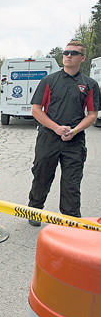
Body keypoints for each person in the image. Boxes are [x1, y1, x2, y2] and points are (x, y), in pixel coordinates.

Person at [27, 41, 100, 226]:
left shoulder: (89, 84)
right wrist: (56, 128)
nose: (68, 56)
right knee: (42, 175)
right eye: (66, 52)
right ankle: (35, 210)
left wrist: (74, 130)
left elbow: (92, 115)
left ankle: (70, 219)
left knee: (72, 183)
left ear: (82, 58)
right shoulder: (49, 81)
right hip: (48, 138)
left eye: (73, 53)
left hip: (74, 141)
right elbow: (36, 110)